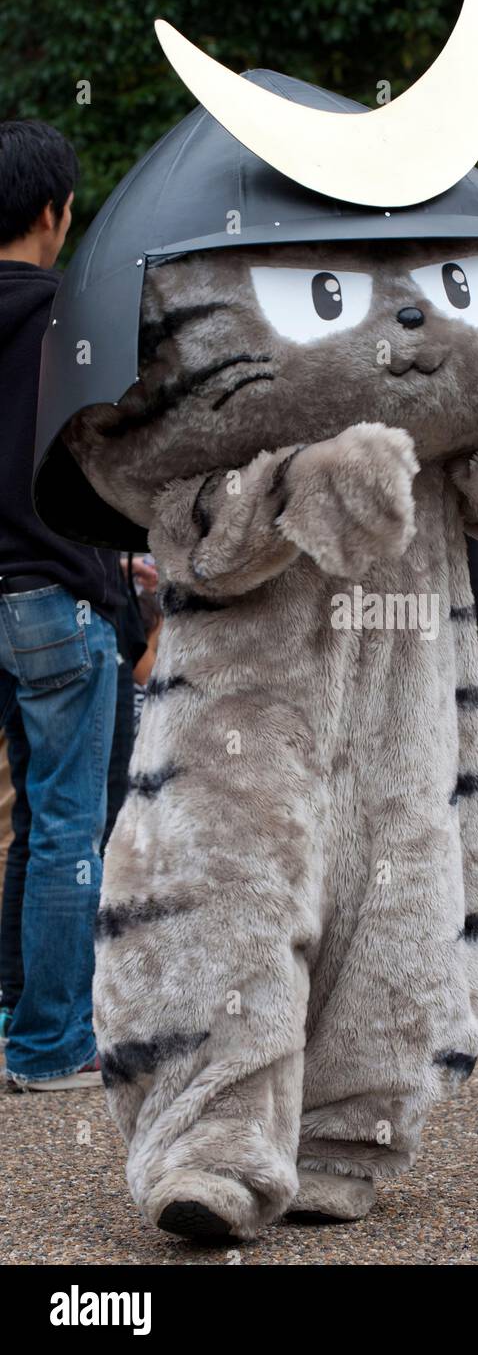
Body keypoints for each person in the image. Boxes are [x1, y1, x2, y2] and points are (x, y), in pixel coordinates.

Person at [0, 120, 122, 1090]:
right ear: (55, 212)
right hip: (54, 596)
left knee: (25, 823)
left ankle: (16, 1011)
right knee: (67, 823)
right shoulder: (68, 321)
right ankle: (49, 1044)